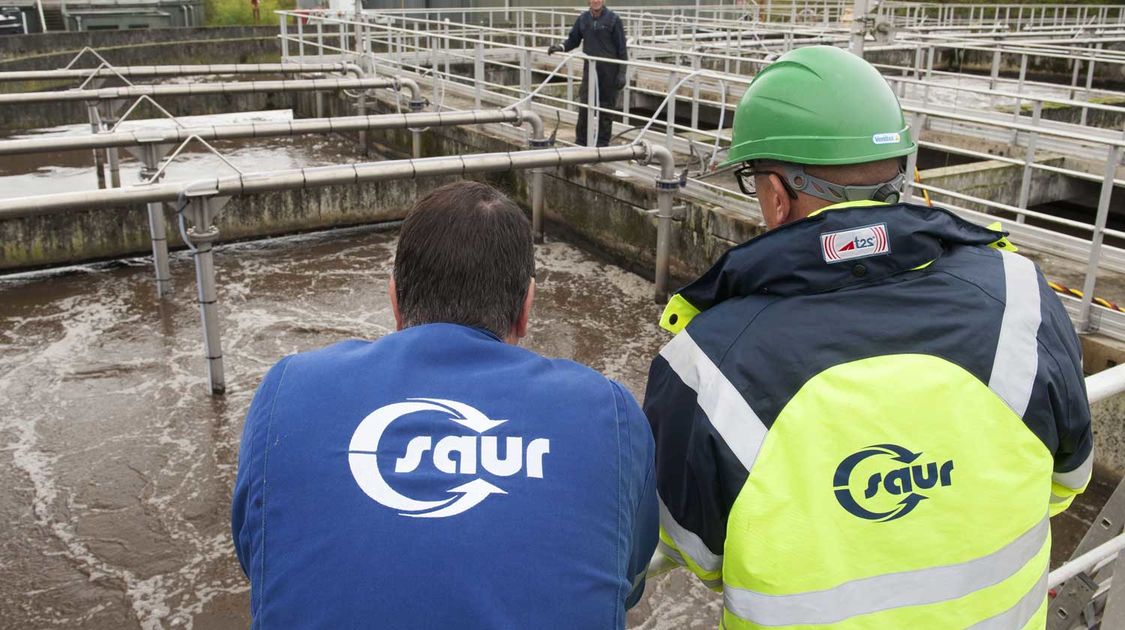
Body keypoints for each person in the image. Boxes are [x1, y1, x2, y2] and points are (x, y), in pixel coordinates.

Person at [644, 45, 1092, 629]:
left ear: (777, 195)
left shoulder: (710, 363)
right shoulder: (1020, 301)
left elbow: (696, 552)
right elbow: (1068, 480)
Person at [231, 181, 657, 629]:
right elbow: (627, 579)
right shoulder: (607, 413)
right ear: (526, 308)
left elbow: (259, 555)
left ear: (395, 301)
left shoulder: (290, 389)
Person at [547, 0, 628, 147]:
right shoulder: (583, 19)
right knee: (584, 107)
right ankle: (581, 143)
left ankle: (602, 145)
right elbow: (573, 40)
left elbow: (622, 49)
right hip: (590, 71)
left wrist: (622, 72)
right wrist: (560, 47)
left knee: (605, 110)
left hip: (609, 72)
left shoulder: (613, 19)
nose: (596, 1)